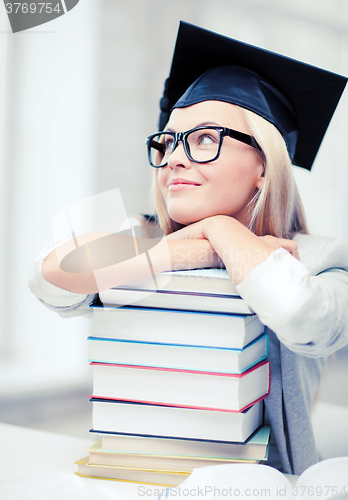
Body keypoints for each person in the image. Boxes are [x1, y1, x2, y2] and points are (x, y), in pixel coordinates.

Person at [29, 22, 348, 475]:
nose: (174, 157)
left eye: (204, 139)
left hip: (258, 482)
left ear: (264, 164)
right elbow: (48, 277)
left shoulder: (319, 258)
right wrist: (183, 251)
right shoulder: (145, 238)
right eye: (169, 140)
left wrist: (223, 231)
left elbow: (307, 319)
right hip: (135, 474)